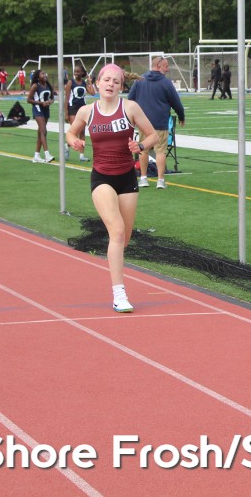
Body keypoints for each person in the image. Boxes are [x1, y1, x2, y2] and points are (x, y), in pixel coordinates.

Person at [66, 63, 158, 313]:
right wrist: (74, 141)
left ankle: (113, 257)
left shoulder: (130, 108)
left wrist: (140, 146)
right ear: (97, 83)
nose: (110, 84)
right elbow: (71, 133)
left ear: (121, 86)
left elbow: (152, 135)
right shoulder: (87, 111)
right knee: (116, 231)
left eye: (115, 82)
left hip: (127, 179)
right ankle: (119, 294)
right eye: (106, 80)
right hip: (102, 178)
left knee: (123, 238)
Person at [128, 54, 186, 190]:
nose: (167, 69)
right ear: (159, 66)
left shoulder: (140, 80)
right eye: (166, 66)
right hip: (160, 122)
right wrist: (181, 116)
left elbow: (130, 99)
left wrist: (132, 117)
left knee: (143, 150)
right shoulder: (166, 83)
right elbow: (176, 102)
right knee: (160, 151)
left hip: (143, 123)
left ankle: (143, 178)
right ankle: (160, 180)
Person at [65, 64, 96, 162]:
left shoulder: (83, 83)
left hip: (82, 108)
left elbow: (93, 93)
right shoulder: (70, 82)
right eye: (75, 71)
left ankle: (81, 155)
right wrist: (66, 112)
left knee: (82, 132)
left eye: (78, 71)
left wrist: (89, 81)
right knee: (75, 131)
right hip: (72, 108)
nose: (76, 73)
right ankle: (67, 146)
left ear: (82, 73)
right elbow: (66, 98)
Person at [27, 69, 55, 163]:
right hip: (38, 109)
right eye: (42, 74)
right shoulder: (35, 86)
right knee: (43, 131)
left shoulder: (48, 85)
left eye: (45, 73)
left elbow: (52, 98)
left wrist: (50, 101)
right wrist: (41, 103)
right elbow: (29, 100)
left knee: (40, 132)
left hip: (46, 109)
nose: (44, 75)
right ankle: (47, 154)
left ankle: (36, 155)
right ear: (38, 77)